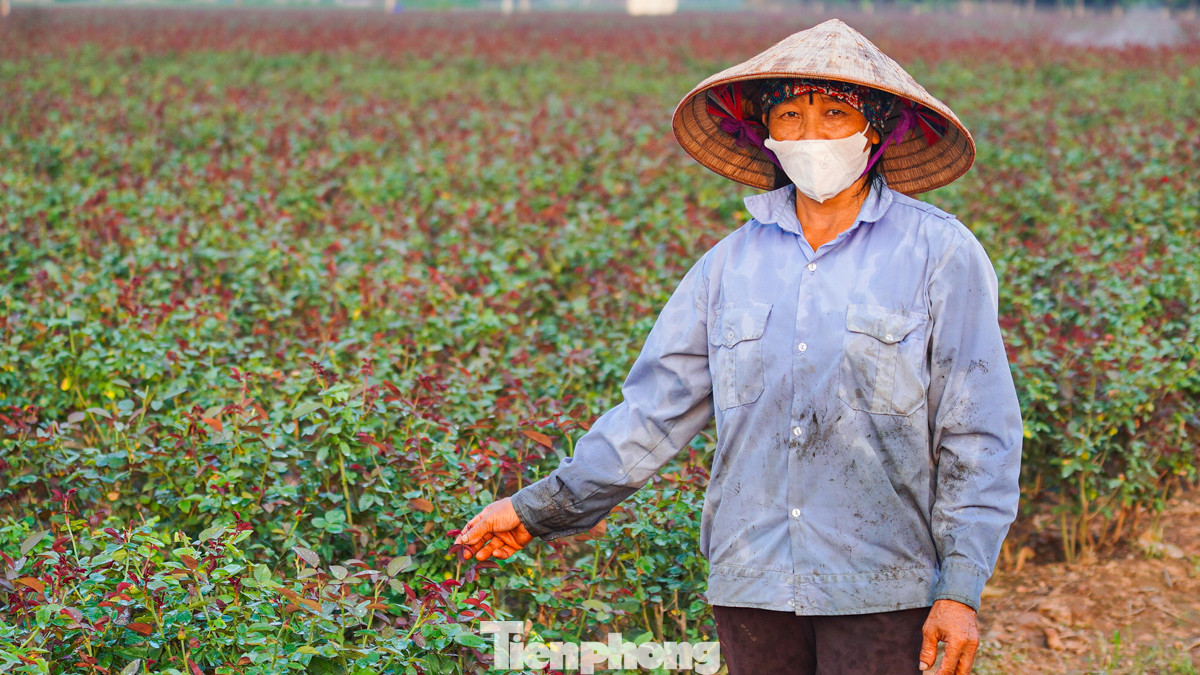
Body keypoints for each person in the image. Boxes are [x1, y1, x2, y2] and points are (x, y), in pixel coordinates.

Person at [454, 18, 1022, 675]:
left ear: (876, 130)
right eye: (790, 113)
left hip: (886, 585)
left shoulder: (942, 254)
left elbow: (977, 434)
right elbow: (650, 416)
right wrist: (539, 507)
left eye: (835, 113)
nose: (811, 135)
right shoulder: (727, 267)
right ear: (767, 133)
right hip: (752, 583)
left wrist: (959, 588)